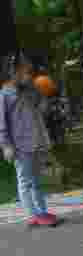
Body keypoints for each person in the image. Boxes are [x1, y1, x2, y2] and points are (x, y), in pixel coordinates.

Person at [0, 51, 59, 228]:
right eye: (26, 72)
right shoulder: (4, 95)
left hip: (34, 142)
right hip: (20, 146)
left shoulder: (29, 91)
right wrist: (6, 146)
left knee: (36, 181)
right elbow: (1, 124)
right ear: (13, 72)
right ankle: (32, 215)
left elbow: (40, 108)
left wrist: (42, 94)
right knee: (25, 181)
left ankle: (41, 211)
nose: (30, 76)